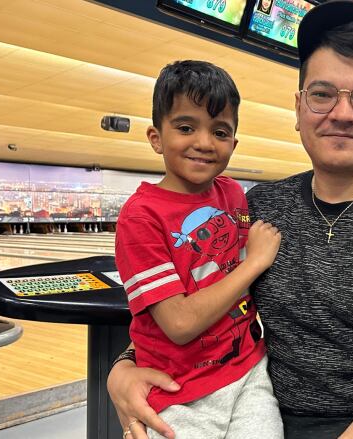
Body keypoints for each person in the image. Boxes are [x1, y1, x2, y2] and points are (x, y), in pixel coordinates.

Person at [106, 2, 353, 439]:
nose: (343, 114)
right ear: (298, 108)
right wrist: (124, 366)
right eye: (322, 94)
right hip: (253, 410)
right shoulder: (258, 207)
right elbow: (203, 307)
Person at [114, 60, 283, 439]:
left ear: (233, 144)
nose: (204, 143)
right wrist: (254, 262)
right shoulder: (140, 216)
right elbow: (179, 324)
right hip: (179, 389)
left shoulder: (233, 194)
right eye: (186, 127)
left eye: (220, 131)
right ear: (156, 137)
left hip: (249, 372)